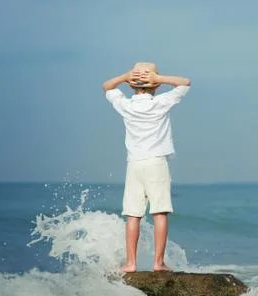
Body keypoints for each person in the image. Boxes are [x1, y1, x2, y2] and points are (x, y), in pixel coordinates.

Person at [102, 62, 191, 272]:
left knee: (133, 215)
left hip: (134, 164)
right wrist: (159, 78)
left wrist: (125, 76)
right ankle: (158, 263)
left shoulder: (126, 105)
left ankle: (130, 263)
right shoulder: (161, 102)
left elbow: (107, 87)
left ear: (132, 85)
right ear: (155, 85)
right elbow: (185, 83)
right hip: (156, 162)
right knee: (159, 213)